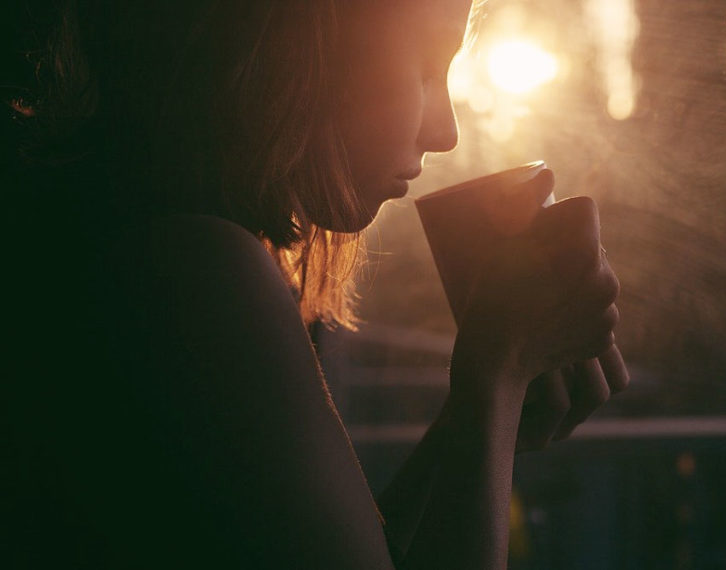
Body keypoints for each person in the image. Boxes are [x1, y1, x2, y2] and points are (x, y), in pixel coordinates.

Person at [5, 0, 626, 568]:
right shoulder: (189, 269)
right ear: (304, 46)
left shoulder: (133, 235)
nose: (446, 132)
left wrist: (474, 423)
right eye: (427, 68)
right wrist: (501, 367)